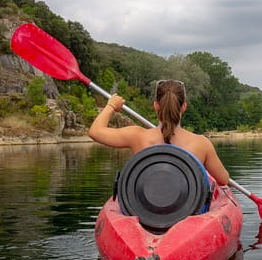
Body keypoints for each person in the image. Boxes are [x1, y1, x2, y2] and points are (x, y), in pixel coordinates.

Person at [88, 79, 230, 185]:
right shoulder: (201, 143)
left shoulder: (137, 136)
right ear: (184, 107)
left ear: (156, 106)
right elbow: (223, 180)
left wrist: (111, 105)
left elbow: (95, 132)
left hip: (148, 212)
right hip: (186, 212)